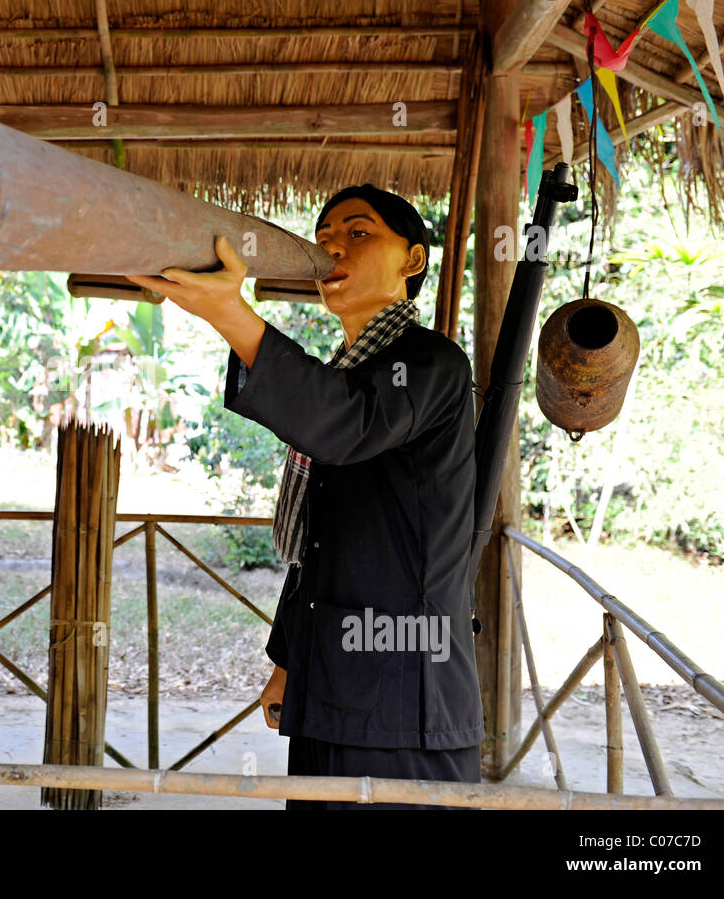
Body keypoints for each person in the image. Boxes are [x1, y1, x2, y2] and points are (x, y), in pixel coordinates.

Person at [127, 183, 483, 809]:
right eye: (323, 240)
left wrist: (229, 314)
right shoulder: (345, 374)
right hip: (332, 685)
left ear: (413, 259)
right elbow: (318, 546)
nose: (333, 248)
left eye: (358, 232)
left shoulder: (430, 364)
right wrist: (289, 662)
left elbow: (345, 424)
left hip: (405, 694)